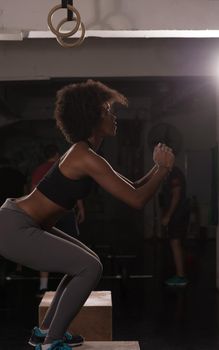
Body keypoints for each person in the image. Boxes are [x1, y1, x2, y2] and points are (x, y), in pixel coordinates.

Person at [0, 80, 174, 350]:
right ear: (91, 117)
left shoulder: (87, 154)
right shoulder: (84, 156)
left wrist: (156, 168)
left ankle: (44, 332)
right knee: (90, 267)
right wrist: (162, 170)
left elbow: (133, 188)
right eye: (108, 110)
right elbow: (137, 200)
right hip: (15, 228)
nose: (114, 116)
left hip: (22, 221)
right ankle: (51, 341)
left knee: (86, 261)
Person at [31, 144, 85, 296]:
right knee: (73, 248)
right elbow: (74, 189)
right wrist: (81, 208)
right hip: (65, 212)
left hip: (46, 214)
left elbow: (33, 191)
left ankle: (43, 287)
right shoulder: (62, 167)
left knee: (44, 249)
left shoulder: (39, 170)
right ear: (56, 154)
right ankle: (72, 286)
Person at [159, 165, 190, 287]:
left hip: (178, 214)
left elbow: (176, 195)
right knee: (176, 242)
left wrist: (168, 216)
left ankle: (181, 276)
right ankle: (181, 272)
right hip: (177, 213)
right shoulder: (169, 173)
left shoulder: (175, 173)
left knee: (175, 242)